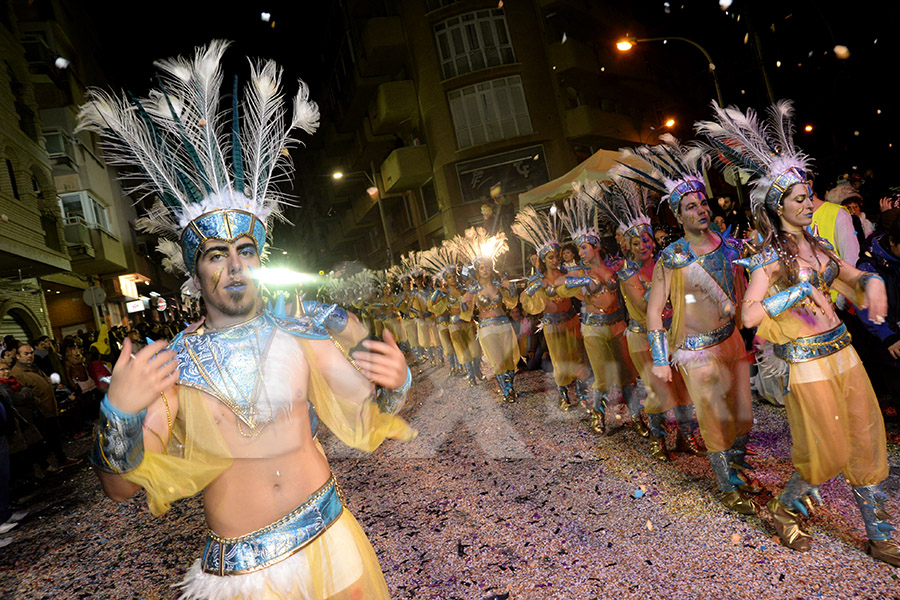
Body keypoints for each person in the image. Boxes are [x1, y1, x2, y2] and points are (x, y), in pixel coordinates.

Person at [78, 40, 416, 596]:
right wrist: (119, 412)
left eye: (246, 250)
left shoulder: (298, 333)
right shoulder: (173, 365)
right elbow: (119, 487)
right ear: (196, 268)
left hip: (332, 536)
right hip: (245, 575)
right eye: (216, 253)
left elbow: (367, 411)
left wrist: (395, 380)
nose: (235, 267)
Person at [698, 99, 899, 566]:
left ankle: (881, 534)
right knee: (825, 450)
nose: (809, 203)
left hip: (844, 353)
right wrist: (798, 289)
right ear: (777, 206)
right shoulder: (768, 257)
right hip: (805, 362)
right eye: (799, 198)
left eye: (809, 195)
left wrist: (873, 285)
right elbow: (749, 318)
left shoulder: (819, 243)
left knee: (867, 438)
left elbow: (852, 275)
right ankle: (785, 507)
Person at [623, 133, 758, 515]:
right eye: (690, 206)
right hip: (696, 353)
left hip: (732, 342)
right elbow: (653, 313)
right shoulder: (672, 257)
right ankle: (727, 484)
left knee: (742, 413)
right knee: (713, 416)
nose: (699, 210)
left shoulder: (731, 246)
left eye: (702, 203)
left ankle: (738, 465)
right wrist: (662, 359)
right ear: (678, 215)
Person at [596, 175, 702, 459]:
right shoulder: (627, 273)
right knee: (657, 391)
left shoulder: (665, 263)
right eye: (636, 241)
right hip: (644, 339)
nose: (644, 244)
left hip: (674, 335)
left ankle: (685, 436)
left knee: (683, 388)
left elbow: (685, 298)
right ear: (627, 246)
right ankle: (658, 440)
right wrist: (670, 283)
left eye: (646, 238)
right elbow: (645, 306)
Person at [559, 186, 642, 436]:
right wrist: (584, 283)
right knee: (603, 377)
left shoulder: (616, 266)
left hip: (618, 325)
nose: (581, 253)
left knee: (627, 374)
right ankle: (599, 415)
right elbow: (558, 289)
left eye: (584, 248)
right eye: (579, 249)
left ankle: (637, 417)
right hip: (593, 328)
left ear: (596, 248)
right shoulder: (578, 273)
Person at [513, 206, 592, 411]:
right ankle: (565, 396)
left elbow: (583, 293)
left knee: (578, 359)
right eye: (551, 257)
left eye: (557, 256)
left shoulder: (568, 273)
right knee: (560, 362)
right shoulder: (538, 280)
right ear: (543, 260)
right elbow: (528, 304)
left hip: (571, 321)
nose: (556, 260)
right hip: (552, 326)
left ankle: (583, 397)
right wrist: (535, 289)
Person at [456, 227, 520, 401]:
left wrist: (511, 289)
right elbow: (465, 313)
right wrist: (464, 302)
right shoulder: (474, 289)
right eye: (482, 267)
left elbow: (511, 302)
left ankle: (511, 386)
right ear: (477, 269)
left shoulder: (498, 285)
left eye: (487, 266)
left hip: (504, 324)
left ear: (491, 268)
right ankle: (506, 391)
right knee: (498, 361)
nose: (485, 269)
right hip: (486, 328)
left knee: (509, 359)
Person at [10, 345, 80, 472]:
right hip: (38, 413)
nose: (30, 356)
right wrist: (37, 402)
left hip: (48, 409)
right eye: (26, 354)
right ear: (18, 356)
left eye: (31, 353)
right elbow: (23, 394)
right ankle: (46, 466)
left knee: (54, 437)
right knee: (43, 441)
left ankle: (62, 459)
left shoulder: (33, 368)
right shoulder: (17, 373)